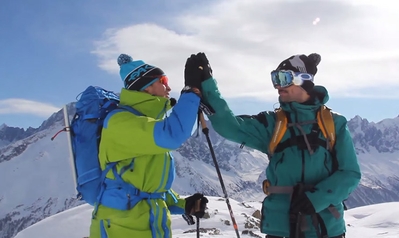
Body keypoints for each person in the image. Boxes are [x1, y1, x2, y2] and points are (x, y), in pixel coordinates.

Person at [184, 52, 361, 238]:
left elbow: (350, 173)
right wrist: (207, 84)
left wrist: (317, 199)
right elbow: (230, 127)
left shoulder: (334, 123)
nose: (277, 86)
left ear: (304, 79)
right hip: (281, 228)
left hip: (326, 228)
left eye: (283, 78)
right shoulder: (273, 123)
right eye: (274, 78)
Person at [89, 54, 208, 238]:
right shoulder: (120, 123)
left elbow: (149, 190)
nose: (169, 87)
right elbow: (172, 134)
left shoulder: (146, 124)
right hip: (122, 229)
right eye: (163, 80)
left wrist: (185, 205)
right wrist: (191, 91)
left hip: (150, 227)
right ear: (146, 87)